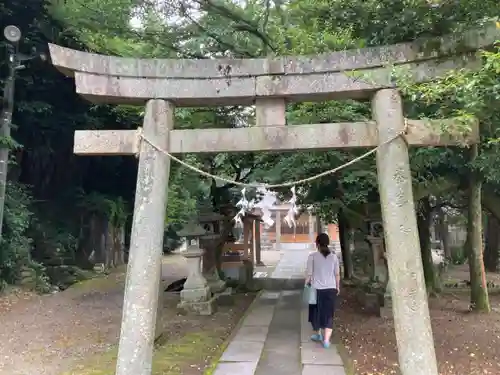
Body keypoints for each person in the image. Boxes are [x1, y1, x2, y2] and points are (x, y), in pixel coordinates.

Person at [305, 232, 340, 349]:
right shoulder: (334, 257)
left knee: (316, 312)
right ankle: (326, 340)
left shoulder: (312, 257)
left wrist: (306, 285)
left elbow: (309, 274)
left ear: (317, 243)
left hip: (317, 289)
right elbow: (337, 274)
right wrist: (338, 287)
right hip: (331, 289)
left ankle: (319, 334)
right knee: (329, 313)